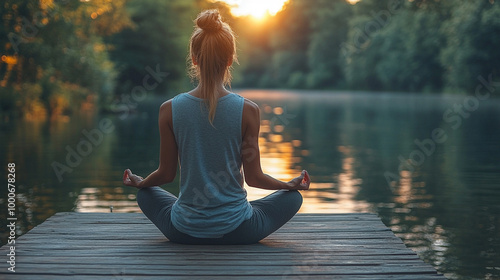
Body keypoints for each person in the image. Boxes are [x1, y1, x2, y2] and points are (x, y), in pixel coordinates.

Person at [123, 9, 310, 245]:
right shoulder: (249, 110)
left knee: (145, 194)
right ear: (231, 59)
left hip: (183, 231)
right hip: (239, 230)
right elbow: (254, 178)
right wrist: (287, 185)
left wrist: (141, 182)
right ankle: (232, 214)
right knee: (293, 199)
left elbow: (166, 174)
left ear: (194, 58)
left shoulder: (168, 109)